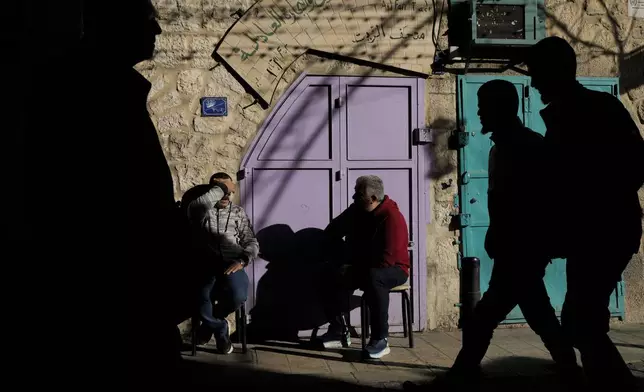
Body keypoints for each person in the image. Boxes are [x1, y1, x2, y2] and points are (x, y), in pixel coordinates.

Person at [405, 80, 578, 391]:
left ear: (502, 108)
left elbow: (539, 201)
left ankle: (463, 374)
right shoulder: (504, 147)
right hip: (514, 250)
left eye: (485, 107)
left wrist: (525, 240)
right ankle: (569, 370)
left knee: (487, 317)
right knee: (535, 314)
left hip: (522, 249)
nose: (480, 113)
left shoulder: (528, 147)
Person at [525, 36, 644, 390]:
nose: (533, 83)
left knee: (581, 323)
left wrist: (594, 204)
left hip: (602, 235)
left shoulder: (591, 111)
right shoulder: (577, 112)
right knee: (584, 322)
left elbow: (632, 166)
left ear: (557, 72)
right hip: (596, 235)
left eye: (537, 74)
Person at [318, 175, 410, 359]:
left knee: (375, 278)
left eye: (358, 195)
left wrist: (354, 267)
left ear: (373, 199)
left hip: (394, 269)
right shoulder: (357, 211)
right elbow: (332, 231)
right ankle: (338, 330)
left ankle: (380, 339)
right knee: (328, 273)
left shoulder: (392, 217)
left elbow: (387, 260)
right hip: (364, 267)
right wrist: (342, 257)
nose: (354, 198)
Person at [186, 172, 259, 354]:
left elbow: (251, 241)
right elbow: (195, 208)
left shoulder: (237, 213)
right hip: (205, 265)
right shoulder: (202, 211)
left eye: (229, 192)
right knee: (200, 297)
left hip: (232, 263)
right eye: (222, 191)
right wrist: (222, 188)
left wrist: (243, 260)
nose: (226, 195)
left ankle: (208, 327)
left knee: (238, 295)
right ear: (214, 191)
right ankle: (220, 329)